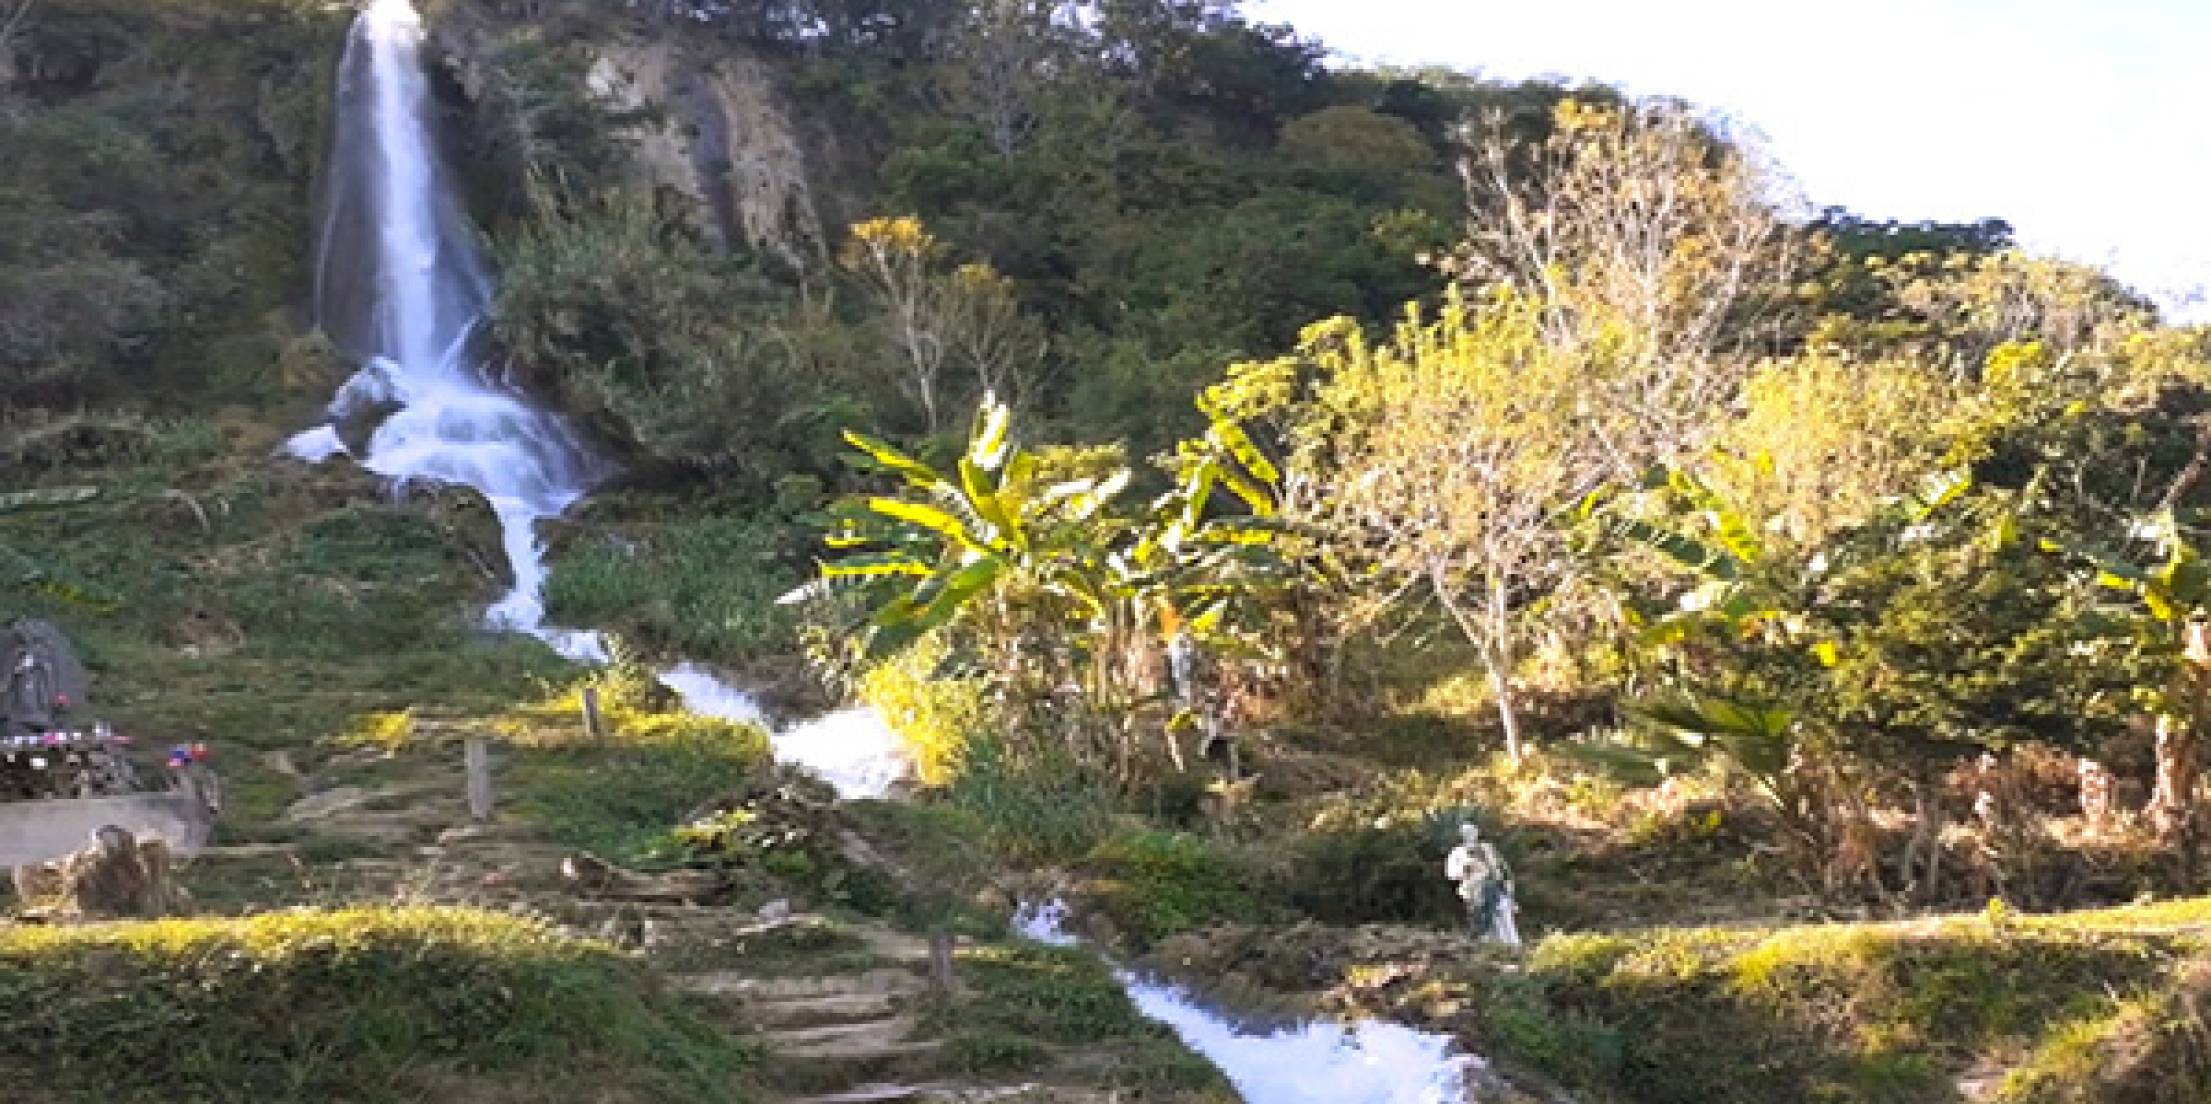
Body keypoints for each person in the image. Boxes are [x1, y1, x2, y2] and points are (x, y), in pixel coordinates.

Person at [1445, 822, 1520, 946]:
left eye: (1472, 832)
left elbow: (1503, 869)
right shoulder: (1458, 852)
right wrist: (1466, 867)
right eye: (1467, 833)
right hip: (1475, 891)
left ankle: (1513, 946)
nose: (1471, 835)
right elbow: (1451, 873)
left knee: (1505, 918)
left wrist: (1509, 888)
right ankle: (1489, 947)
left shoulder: (1488, 848)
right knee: (1483, 920)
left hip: (1497, 888)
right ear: (1462, 835)